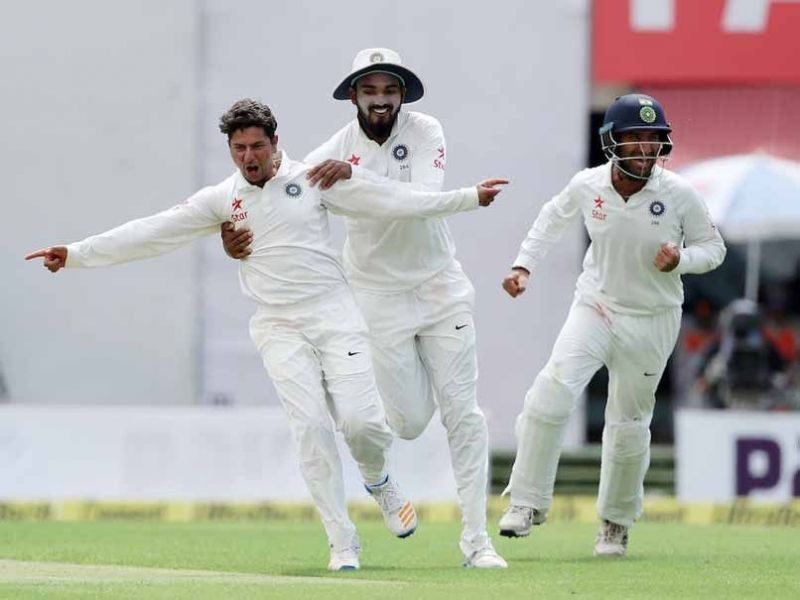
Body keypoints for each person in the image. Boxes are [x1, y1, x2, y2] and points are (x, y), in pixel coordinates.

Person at [26, 98, 506, 571]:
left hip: (337, 316)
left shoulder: (313, 178)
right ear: (231, 150)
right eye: (239, 149)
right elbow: (154, 230)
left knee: (364, 424)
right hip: (278, 326)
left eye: (257, 146)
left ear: (277, 143)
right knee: (311, 429)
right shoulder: (222, 200)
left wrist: (466, 198)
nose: (249, 157)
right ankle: (342, 542)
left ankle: (378, 478)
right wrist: (76, 253)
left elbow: (392, 200)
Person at [222, 49, 507, 568]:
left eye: (389, 91)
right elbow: (287, 209)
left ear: (402, 95)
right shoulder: (329, 152)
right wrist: (236, 241)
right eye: (370, 91)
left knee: (463, 412)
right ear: (353, 95)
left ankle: (476, 542)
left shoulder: (424, 131)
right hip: (377, 300)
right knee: (410, 423)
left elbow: (421, 196)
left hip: (441, 287)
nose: (381, 100)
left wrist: (353, 176)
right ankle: (384, 481)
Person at [497, 94, 726, 556]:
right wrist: (524, 266)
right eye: (634, 138)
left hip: (652, 318)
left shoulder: (678, 193)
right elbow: (550, 220)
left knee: (627, 422)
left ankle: (615, 523)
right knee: (550, 393)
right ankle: (526, 502)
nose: (644, 149)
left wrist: (681, 258)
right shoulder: (588, 185)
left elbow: (713, 248)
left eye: (652, 139)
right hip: (597, 305)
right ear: (612, 143)